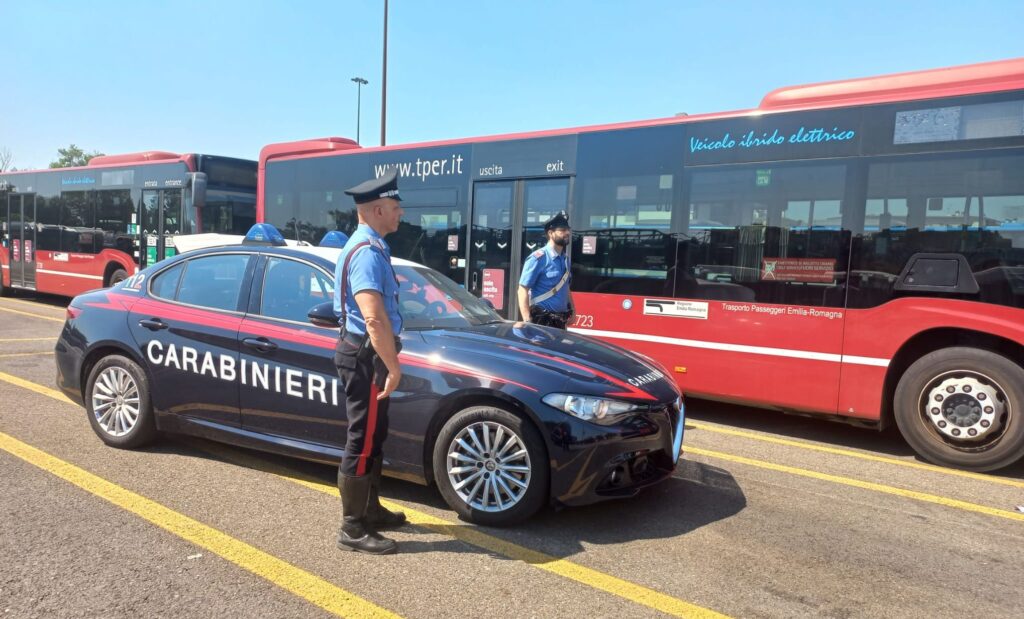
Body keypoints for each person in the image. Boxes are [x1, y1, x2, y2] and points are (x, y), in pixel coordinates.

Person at [333, 168, 406, 555]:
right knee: (361, 440)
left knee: (375, 436)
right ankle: (352, 527)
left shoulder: (374, 247)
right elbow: (374, 318)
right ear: (377, 209)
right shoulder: (365, 253)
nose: (400, 213)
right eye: (395, 207)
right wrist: (393, 367)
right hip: (366, 358)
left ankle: (370, 510)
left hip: (369, 355)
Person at [517, 211, 575, 329]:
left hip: (560, 322)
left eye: (568, 229)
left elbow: (566, 287)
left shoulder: (565, 259)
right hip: (542, 322)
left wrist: (573, 309)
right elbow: (522, 289)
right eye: (562, 230)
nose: (567, 233)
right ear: (550, 233)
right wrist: (527, 320)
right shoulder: (538, 258)